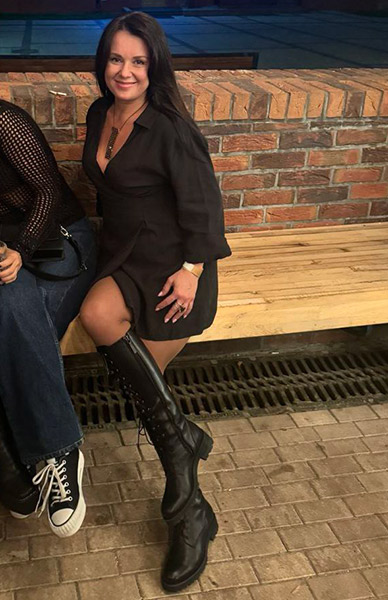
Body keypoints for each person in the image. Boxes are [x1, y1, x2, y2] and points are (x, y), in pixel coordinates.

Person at [79, 10, 231, 592]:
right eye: (117, 59)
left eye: (138, 61)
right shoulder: (99, 114)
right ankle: (187, 467)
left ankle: (189, 510)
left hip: (174, 267)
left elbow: (206, 205)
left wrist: (192, 271)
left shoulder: (170, 127)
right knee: (98, 317)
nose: (126, 71)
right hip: (123, 255)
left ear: (154, 66)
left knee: (150, 392)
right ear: (104, 62)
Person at [0, 99, 97, 537]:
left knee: (11, 313)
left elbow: (48, 192)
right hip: (7, 254)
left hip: (59, 240)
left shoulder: (4, 121)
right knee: (9, 307)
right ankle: (21, 471)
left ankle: (59, 451)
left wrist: (20, 249)